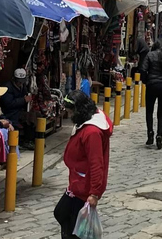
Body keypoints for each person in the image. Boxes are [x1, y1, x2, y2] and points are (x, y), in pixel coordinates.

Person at [54, 90, 113, 239]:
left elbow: (96, 163)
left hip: (84, 187)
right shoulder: (86, 125)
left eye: (70, 110)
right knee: (62, 213)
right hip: (77, 183)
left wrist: (94, 193)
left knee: (75, 227)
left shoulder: (92, 132)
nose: (68, 113)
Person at [1, 68, 35, 149]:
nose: (20, 83)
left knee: (35, 115)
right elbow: (8, 103)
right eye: (18, 81)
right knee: (28, 118)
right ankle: (26, 141)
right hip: (10, 112)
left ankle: (32, 139)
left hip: (19, 110)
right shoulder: (7, 87)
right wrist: (23, 100)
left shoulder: (23, 87)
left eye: (21, 81)